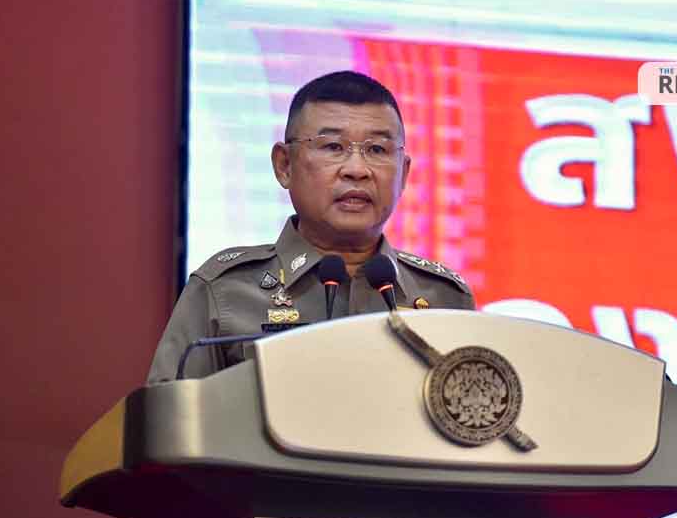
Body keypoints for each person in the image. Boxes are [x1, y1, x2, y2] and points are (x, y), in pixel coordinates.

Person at [147, 71, 474, 384]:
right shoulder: (224, 291)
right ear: (284, 165)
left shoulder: (443, 298)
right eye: (333, 147)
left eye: (376, 149)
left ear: (403, 173)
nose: (357, 169)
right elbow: (171, 417)